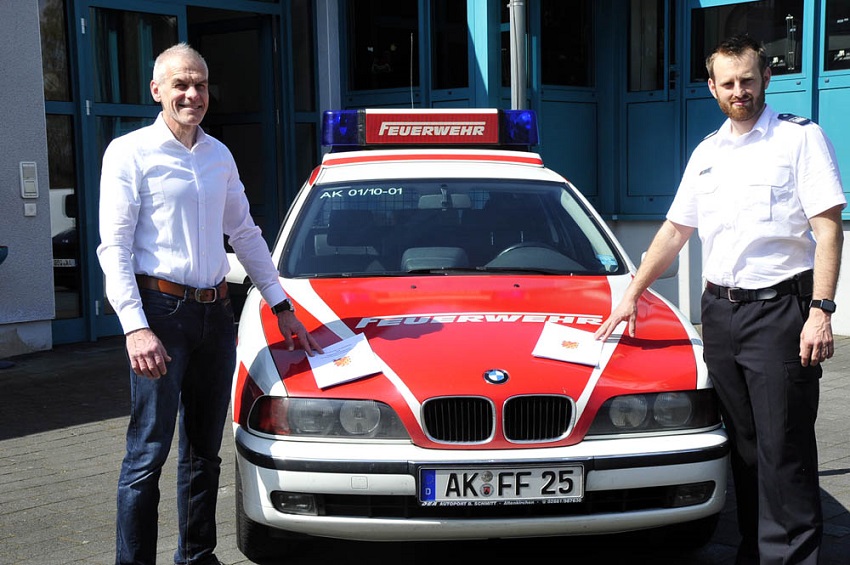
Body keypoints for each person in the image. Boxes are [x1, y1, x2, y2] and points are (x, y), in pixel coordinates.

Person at [595, 34, 845, 565]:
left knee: (785, 452)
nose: (740, 91)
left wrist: (821, 312)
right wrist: (632, 293)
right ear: (712, 88)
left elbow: (828, 229)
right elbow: (673, 231)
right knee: (746, 450)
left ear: (765, 80)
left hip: (781, 311)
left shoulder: (799, 140)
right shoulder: (707, 153)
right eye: (728, 83)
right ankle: (757, 554)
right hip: (721, 314)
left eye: (748, 80)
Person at [97, 43, 322, 565]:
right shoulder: (130, 153)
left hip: (216, 315)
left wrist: (281, 305)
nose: (192, 94)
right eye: (180, 84)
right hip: (160, 314)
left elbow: (245, 233)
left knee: (204, 452)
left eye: (199, 84)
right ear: (157, 91)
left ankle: (196, 557)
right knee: (147, 454)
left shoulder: (219, 154)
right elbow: (114, 247)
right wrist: (135, 327)